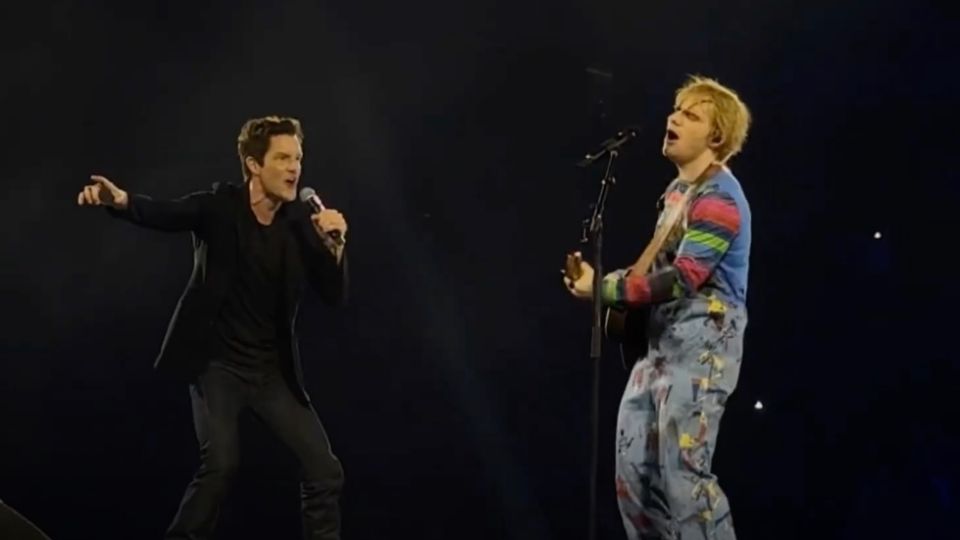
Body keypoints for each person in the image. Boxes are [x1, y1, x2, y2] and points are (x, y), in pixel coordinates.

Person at [77, 116, 349, 540]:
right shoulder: (220, 207)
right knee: (222, 464)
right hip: (217, 365)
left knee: (325, 470)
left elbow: (333, 295)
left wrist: (334, 249)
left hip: (270, 373)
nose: (294, 168)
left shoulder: (299, 225)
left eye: (297, 158)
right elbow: (168, 212)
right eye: (282, 158)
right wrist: (122, 200)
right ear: (254, 164)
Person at [565, 75, 752, 539]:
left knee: (683, 479)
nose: (674, 118)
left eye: (690, 115)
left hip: (702, 351)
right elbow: (657, 270)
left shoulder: (721, 199)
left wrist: (604, 290)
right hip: (659, 349)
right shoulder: (675, 194)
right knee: (635, 478)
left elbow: (683, 277)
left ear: (716, 137)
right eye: (676, 110)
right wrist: (603, 283)